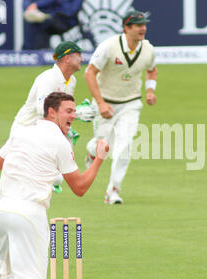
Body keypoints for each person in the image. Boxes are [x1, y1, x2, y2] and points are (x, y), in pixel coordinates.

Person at [0, 92, 109, 279]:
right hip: (29, 215)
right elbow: (79, 188)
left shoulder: (22, 132)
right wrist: (99, 159)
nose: (73, 116)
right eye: (68, 111)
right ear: (52, 112)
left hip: (2, 212)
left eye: (74, 111)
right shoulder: (59, 142)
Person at [0, 40, 94, 232]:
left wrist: (69, 122)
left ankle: (4, 214)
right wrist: (78, 114)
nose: (81, 59)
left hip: (46, 129)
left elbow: (60, 109)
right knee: (5, 166)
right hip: (25, 127)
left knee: (46, 174)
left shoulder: (70, 81)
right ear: (67, 58)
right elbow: (44, 108)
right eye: (78, 55)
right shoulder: (48, 78)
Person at [84, 10, 158, 204]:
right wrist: (100, 103)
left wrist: (150, 91)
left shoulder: (148, 49)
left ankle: (113, 190)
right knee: (104, 147)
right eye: (138, 25)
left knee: (124, 145)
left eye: (144, 24)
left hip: (131, 104)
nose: (143, 28)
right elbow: (89, 73)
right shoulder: (108, 46)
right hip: (105, 102)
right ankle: (92, 150)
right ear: (127, 27)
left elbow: (152, 70)